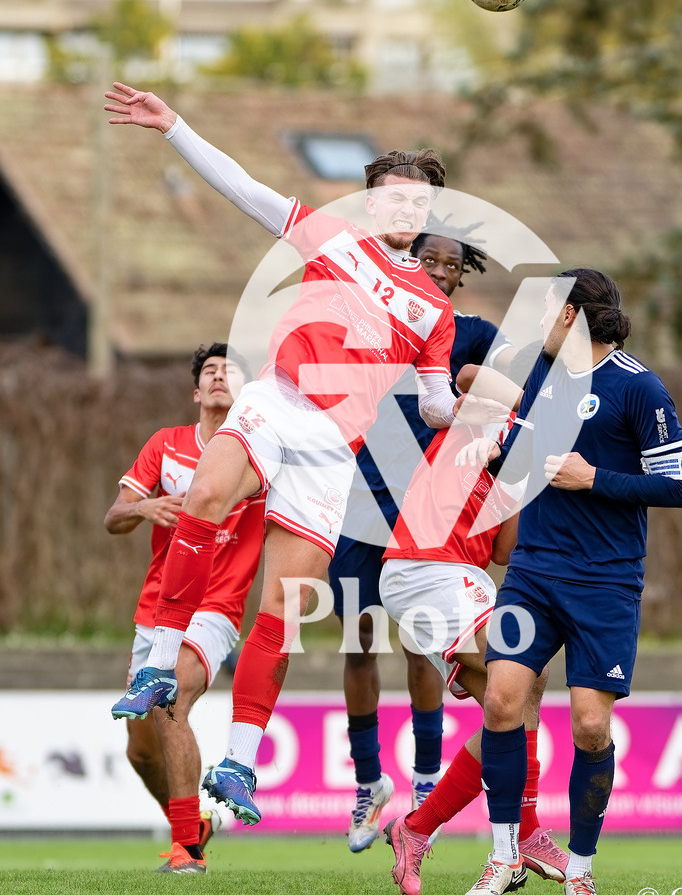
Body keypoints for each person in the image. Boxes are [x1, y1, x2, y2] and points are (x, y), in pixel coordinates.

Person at [105, 82, 460, 826]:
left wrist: (466, 405)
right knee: (203, 500)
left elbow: (431, 404)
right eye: (395, 199)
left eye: (419, 202)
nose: (406, 212)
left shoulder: (435, 308)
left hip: (333, 449)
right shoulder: (332, 238)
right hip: (279, 402)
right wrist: (173, 127)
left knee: (283, 608)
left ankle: (238, 761)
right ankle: (158, 668)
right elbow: (242, 187)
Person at [455, 268, 682, 895]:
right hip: (532, 572)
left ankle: (581, 867)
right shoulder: (540, 378)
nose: (536, 321)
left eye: (545, 309)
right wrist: (485, 446)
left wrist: (596, 479)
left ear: (572, 317)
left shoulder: (641, 390)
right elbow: (524, 461)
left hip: (605, 581)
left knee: (590, 726)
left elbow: (676, 487)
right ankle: (502, 856)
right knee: (502, 704)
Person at [327, 217, 516, 853]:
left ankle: (427, 778)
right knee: (358, 644)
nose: (439, 271)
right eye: (428, 259)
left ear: (463, 274)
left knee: (418, 648)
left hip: (428, 517)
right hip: (359, 504)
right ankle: (367, 783)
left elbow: (516, 393)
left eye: (450, 264)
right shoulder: (372, 326)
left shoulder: (476, 337)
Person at [379, 364, 569, 895]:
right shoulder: (474, 419)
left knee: (514, 694)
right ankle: (526, 828)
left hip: (456, 574)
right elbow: (470, 372)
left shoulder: (509, 466)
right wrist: (532, 418)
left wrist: (523, 479)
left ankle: (417, 828)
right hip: (425, 566)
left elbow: (505, 552)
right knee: (521, 667)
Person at [105, 344, 264, 873]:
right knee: (140, 751)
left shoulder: (260, 451)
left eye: (230, 371)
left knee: (167, 696)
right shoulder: (166, 445)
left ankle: (185, 852)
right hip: (156, 607)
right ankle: (190, 821)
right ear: (197, 392)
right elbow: (114, 516)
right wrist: (143, 506)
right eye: (210, 373)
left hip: (216, 608)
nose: (220, 378)